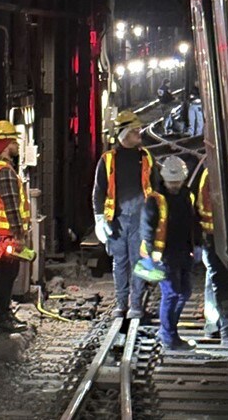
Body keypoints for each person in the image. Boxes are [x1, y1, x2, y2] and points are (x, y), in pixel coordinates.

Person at [93, 111, 158, 318]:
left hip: (141, 219)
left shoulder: (146, 157)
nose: (139, 133)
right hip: (117, 220)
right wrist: (99, 219)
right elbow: (99, 191)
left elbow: (156, 189)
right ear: (124, 133)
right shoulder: (108, 160)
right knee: (120, 261)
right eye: (135, 130)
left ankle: (136, 306)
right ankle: (122, 304)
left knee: (138, 261)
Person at [140, 156, 197, 350]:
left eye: (178, 182)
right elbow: (147, 230)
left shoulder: (186, 195)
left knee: (184, 292)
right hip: (164, 254)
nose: (174, 185)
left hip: (183, 251)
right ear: (165, 179)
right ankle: (168, 336)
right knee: (172, 293)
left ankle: (168, 330)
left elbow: (191, 221)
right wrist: (153, 254)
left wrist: (196, 245)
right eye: (172, 182)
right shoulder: (155, 200)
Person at [0, 120, 30, 333]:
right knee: (6, 275)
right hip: (6, 236)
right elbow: (12, 206)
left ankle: (3, 313)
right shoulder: (4, 172)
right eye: (13, 141)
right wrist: (19, 235)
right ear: (5, 144)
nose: (17, 145)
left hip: (0, 235)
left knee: (3, 275)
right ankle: (3, 318)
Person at [197, 167, 228, 347]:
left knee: (214, 279)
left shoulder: (209, 174)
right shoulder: (211, 174)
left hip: (214, 237)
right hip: (215, 238)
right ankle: (226, 333)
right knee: (220, 282)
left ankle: (215, 324)